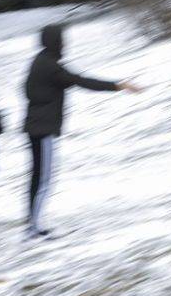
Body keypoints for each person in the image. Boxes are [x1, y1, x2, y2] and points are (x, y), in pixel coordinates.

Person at [23, 24, 141, 238]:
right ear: (55, 42)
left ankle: (33, 224)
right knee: (44, 179)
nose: (65, 43)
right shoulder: (51, 67)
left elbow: (29, 89)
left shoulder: (39, 62)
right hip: (44, 128)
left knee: (37, 177)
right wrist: (118, 86)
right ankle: (34, 229)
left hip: (35, 126)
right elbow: (81, 81)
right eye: (62, 39)